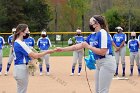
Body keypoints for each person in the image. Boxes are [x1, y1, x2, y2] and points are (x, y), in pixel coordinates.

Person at [55, 15, 116, 93]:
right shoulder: (92, 35)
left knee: (103, 90)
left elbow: (103, 52)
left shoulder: (103, 33)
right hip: (99, 63)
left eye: (91, 22)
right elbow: (78, 46)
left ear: (97, 24)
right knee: (97, 90)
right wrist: (62, 49)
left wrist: (89, 47)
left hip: (107, 62)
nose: (90, 24)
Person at [12, 24, 54, 93]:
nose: (28, 33)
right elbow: (34, 55)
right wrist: (48, 51)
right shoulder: (20, 43)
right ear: (22, 32)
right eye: (27, 31)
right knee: (22, 91)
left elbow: (28, 56)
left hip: (18, 69)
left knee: (20, 90)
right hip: (21, 69)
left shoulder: (17, 42)